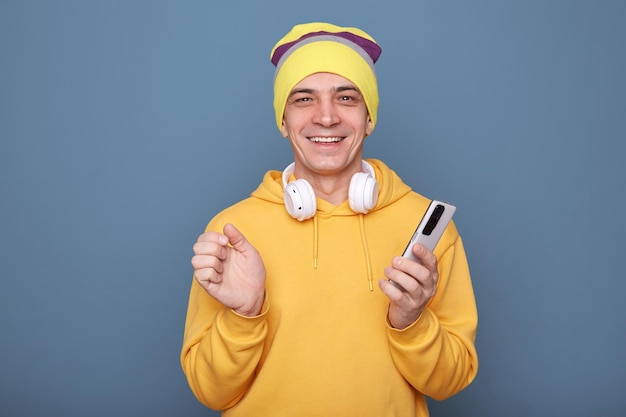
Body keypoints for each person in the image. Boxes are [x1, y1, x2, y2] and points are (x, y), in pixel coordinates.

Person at [181, 22, 478, 417]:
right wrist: (244, 315)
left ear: (369, 118)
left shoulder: (425, 227)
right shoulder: (232, 231)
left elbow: (451, 382)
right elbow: (209, 392)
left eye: (346, 97)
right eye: (304, 99)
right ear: (282, 121)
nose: (326, 117)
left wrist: (412, 321)